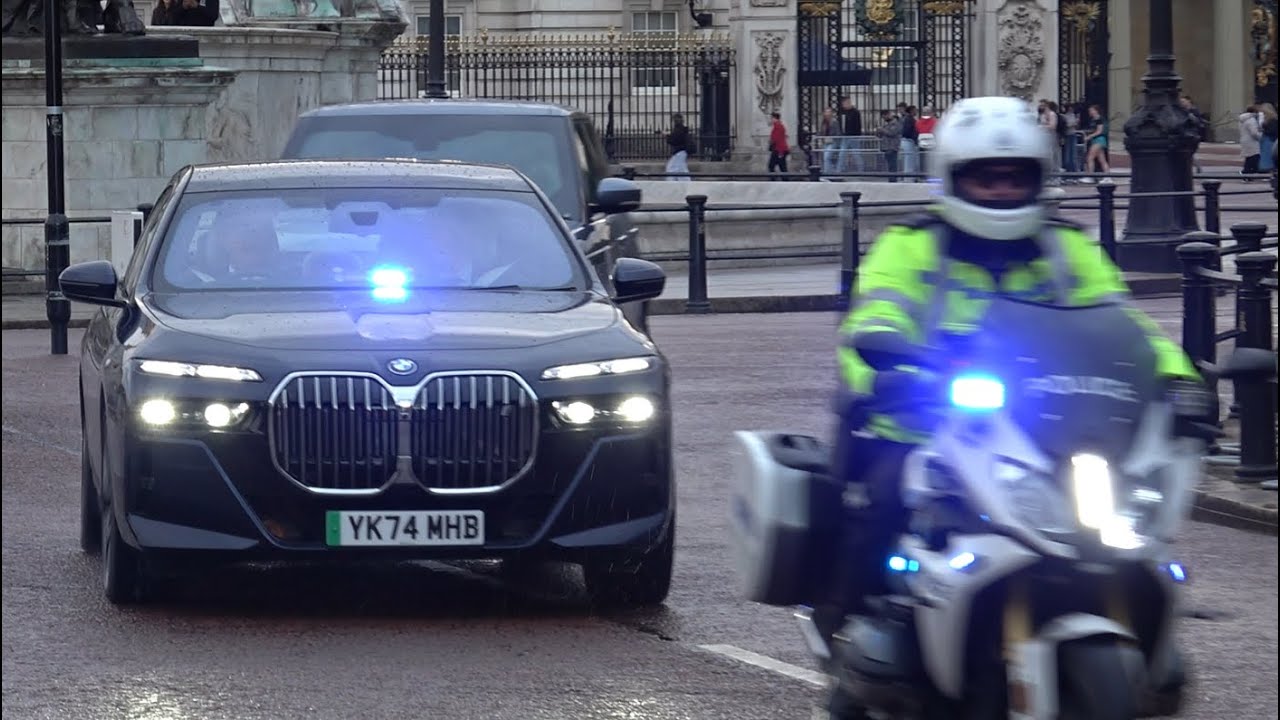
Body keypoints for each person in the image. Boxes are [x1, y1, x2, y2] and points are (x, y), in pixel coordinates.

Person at [811, 95, 1201, 651]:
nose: (1000, 190)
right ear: (952, 179)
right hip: (926, 420)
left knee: (1124, 525)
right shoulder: (911, 246)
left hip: (1046, 425)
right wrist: (892, 370)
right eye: (985, 179)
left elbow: (1129, 327)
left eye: (1015, 178)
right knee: (885, 507)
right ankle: (853, 640)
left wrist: (1180, 382)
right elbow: (874, 316)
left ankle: (1148, 644)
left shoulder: (1067, 249)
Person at [1238, 105, 1263, 177]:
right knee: (1254, 157)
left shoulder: (1243, 119)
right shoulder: (1251, 120)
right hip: (1252, 141)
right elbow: (1254, 133)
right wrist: (1261, 136)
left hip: (1245, 140)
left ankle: (1248, 174)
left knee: (1249, 158)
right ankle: (1247, 173)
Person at [665, 113, 691, 181]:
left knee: (672, 168)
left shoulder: (678, 130)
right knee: (680, 168)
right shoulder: (682, 129)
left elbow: (674, 141)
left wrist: (667, 136)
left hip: (679, 151)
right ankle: (682, 182)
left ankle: (672, 183)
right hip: (682, 151)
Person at [151, 0, 219, 26]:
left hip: (204, 33)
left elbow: (213, 15)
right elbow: (173, 16)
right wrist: (183, 7)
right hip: (184, 35)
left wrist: (197, 6)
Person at [767, 112, 790, 180]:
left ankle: (775, 180)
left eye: (771, 118)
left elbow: (778, 139)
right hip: (779, 149)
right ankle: (784, 180)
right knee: (781, 166)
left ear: (774, 118)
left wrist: (780, 152)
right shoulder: (778, 126)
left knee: (772, 165)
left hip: (779, 150)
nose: (770, 120)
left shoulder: (778, 126)